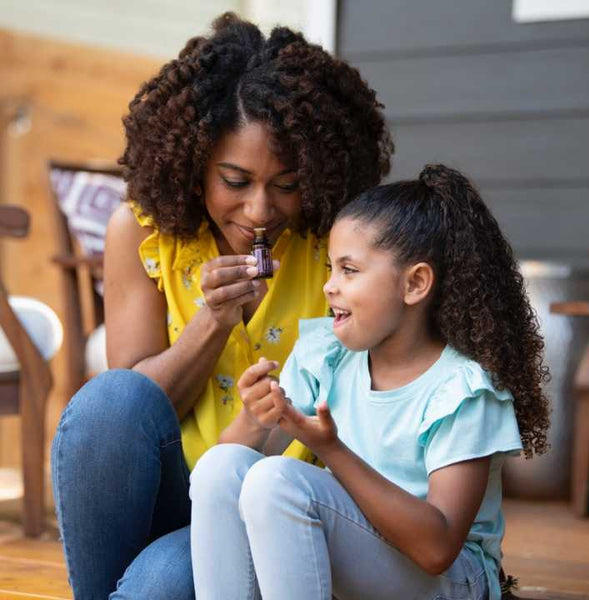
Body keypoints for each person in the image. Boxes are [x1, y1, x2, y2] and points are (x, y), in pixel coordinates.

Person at [50, 12, 393, 600]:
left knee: (161, 584)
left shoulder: (341, 239)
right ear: (192, 165)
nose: (260, 211)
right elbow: (131, 415)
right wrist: (212, 321)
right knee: (109, 399)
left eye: (286, 184)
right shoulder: (141, 234)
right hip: (168, 488)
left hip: (271, 505)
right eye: (235, 181)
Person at [189, 164, 551, 600]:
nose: (329, 286)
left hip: (451, 580)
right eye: (330, 268)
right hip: (366, 556)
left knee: (279, 481)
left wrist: (331, 449)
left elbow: (437, 549)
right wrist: (253, 417)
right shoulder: (327, 353)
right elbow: (231, 475)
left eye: (349, 270)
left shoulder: (462, 390)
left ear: (414, 283)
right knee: (220, 465)